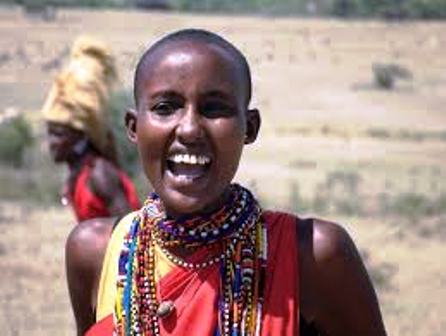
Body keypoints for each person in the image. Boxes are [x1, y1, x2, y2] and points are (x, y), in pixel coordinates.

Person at [65, 29, 387, 336]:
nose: (189, 129)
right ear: (134, 128)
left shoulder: (314, 256)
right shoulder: (95, 253)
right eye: (166, 108)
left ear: (249, 128)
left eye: (214, 108)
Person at [42, 36, 140, 222]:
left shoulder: (99, 174)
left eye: (58, 134)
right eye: (50, 132)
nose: (51, 142)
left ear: (81, 134)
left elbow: (131, 234)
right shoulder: (78, 174)